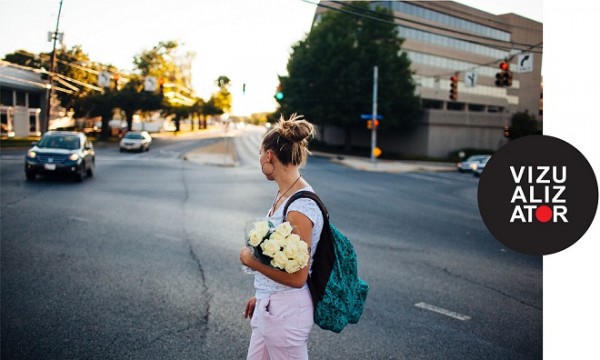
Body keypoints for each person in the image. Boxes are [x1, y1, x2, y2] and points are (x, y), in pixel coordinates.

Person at [240, 113, 324, 360]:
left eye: (259, 153)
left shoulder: (299, 208)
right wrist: (263, 294)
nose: (259, 159)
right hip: (272, 309)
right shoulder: (284, 196)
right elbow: (282, 259)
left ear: (269, 156)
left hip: (287, 316)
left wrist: (249, 259)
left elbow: (298, 276)